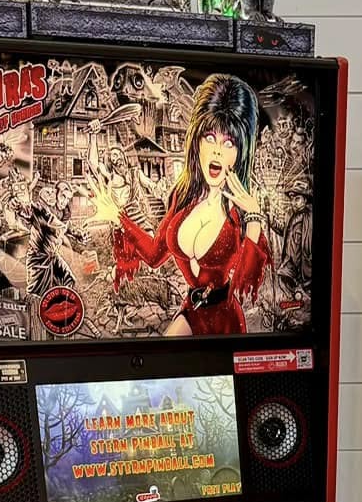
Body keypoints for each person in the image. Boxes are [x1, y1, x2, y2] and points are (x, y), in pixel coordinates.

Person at [108, 73, 268, 336]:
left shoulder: (242, 212)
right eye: (210, 138)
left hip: (225, 322)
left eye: (229, 143)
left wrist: (253, 217)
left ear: (240, 153)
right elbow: (154, 256)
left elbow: (245, 286)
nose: (217, 151)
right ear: (197, 142)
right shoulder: (182, 196)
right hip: (192, 311)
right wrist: (119, 218)